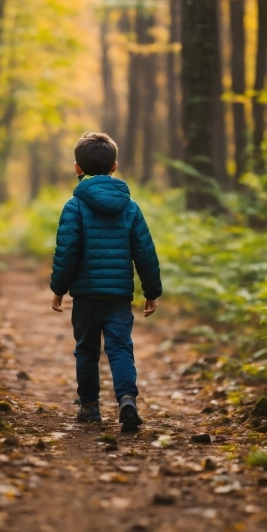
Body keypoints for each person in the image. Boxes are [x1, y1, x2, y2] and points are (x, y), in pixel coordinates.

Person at [50, 131, 162, 432]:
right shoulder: (130, 207)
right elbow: (145, 252)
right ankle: (127, 399)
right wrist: (151, 291)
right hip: (118, 298)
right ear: (115, 167)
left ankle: (89, 408)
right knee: (121, 348)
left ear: (78, 168)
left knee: (86, 350)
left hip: (86, 297)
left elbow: (67, 252)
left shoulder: (74, 207)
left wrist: (59, 289)